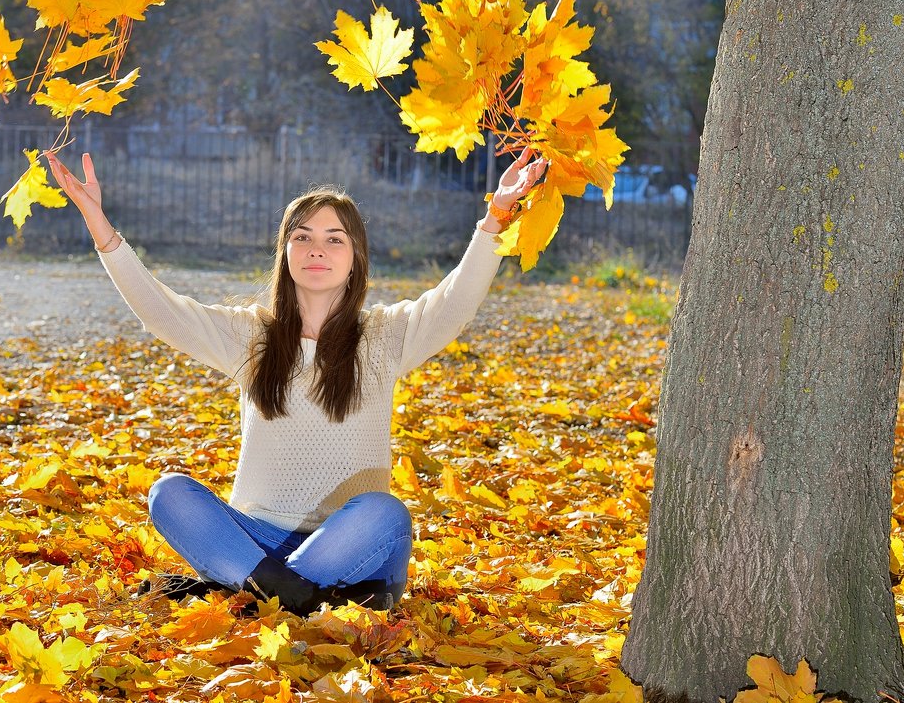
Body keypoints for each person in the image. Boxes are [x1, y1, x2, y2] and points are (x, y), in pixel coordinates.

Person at [46, 146, 548, 614]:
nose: (317, 249)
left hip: (350, 545)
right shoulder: (251, 336)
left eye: (335, 239)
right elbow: (160, 312)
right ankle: (288, 596)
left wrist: (496, 217)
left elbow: (455, 302)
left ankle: (244, 592)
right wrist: (99, 223)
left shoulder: (386, 336)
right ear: (285, 252)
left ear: (355, 258)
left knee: (385, 512)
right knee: (169, 493)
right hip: (254, 539)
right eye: (302, 236)